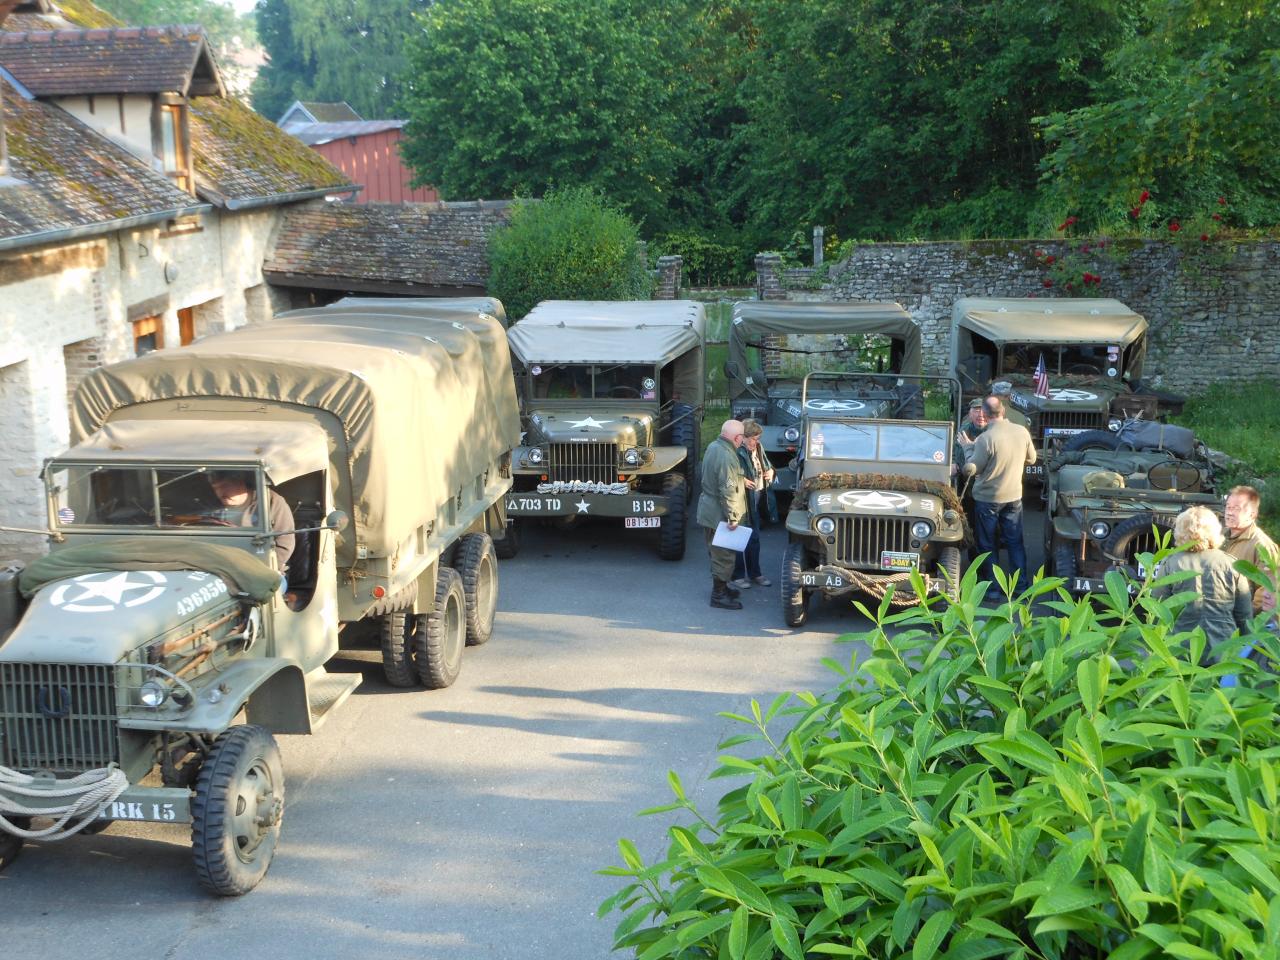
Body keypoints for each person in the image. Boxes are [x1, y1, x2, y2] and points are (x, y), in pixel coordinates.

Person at [959, 395, 1036, 597]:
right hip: (1013, 497)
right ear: (1003, 411)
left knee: (987, 544)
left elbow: (971, 468)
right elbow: (1032, 458)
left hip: (988, 500)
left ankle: (992, 589)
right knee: (1015, 542)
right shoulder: (1022, 432)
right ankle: (1021, 587)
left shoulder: (986, 439)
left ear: (985, 413)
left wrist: (968, 447)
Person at [1155, 506, 1252, 664]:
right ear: (1214, 531)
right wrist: (1246, 648)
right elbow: (1244, 616)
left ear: (1180, 531)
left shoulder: (1170, 563)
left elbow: (1158, 611)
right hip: (1223, 651)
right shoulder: (1232, 564)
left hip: (1180, 652)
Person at [696, 420, 748, 610]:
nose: (742, 441)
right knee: (723, 556)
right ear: (737, 437)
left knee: (717, 552)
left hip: (709, 510)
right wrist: (733, 517)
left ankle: (723, 588)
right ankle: (718, 595)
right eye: (742, 437)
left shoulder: (713, 446)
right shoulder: (727, 456)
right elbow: (729, 489)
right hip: (720, 514)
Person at [208, 470, 296, 573]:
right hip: (218, 566)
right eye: (215, 488)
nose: (220, 493)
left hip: (262, 568)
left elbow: (285, 542)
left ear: (240, 482)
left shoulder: (271, 501)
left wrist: (264, 568)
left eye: (225, 486)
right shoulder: (211, 505)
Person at [730, 420, 774, 590]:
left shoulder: (758, 448)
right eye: (752, 439)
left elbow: (767, 466)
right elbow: (728, 475)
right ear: (742, 437)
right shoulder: (735, 452)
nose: (754, 442)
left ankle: (756, 573)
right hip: (742, 503)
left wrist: (770, 471)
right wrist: (741, 480)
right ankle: (738, 576)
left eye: (757, 439)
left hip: (756, 499)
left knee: (754, 539)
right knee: (739, 540)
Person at [1223, 484, 1278, 614]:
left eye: (1237, 508)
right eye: (1228, 507)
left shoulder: (1262, 545)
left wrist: (1244, 618)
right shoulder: (1220, 537)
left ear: (1252, 514)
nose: (1229, 512)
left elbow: (1268, 588)